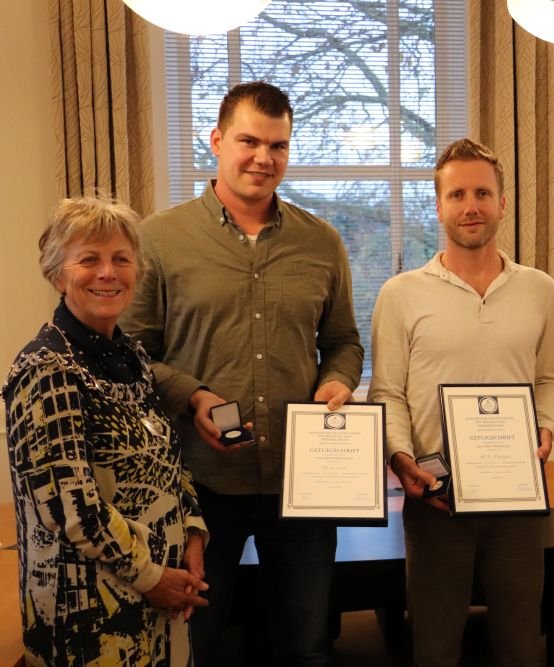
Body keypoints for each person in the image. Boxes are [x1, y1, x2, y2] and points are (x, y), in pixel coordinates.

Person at [120, 81, 364, 666]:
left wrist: (338, 382)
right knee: (196, 644)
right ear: (217, 141)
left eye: (278, 145)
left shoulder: (322, 242)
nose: (263, 157)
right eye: (249, 141)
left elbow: (343, 342)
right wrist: (191, 394)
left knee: (306, 644)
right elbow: (127, 353)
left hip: (300, 486)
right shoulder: (158, 239)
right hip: (195, 484)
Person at [367, 138, 554, 666]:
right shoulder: (400, 293)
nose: (470, 205)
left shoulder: (539, 288)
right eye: (456, 195)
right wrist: (402, 461)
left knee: (522, 643)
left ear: (503, 202)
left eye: (482, 193)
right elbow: (387, 392)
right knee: (434, 643)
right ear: (439, 206)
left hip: (518, 497)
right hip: (435, 496)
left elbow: (548, 378)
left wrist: (546, 430)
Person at [3, 196, 209, 666]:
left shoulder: (133, 356)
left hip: (163, 594)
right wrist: (151, 577)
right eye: (88, 259)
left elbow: (169, 457)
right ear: (58, 274)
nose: (107, 273)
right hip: (88, 615)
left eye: (121, 259)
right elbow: (69, 507)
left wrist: (194, 532)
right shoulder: (45, 369)